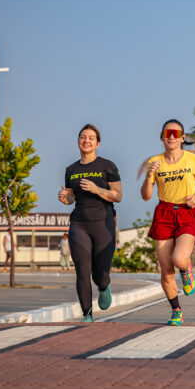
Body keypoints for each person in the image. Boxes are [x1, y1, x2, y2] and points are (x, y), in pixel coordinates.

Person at [142, 119, 195, 326]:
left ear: (182, 137)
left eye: (175, 133)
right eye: (167, 133)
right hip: (163, 213)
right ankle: (176, 311)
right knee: (165, 268)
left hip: (187, 212)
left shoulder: (192, 160)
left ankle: (186, 269)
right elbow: (146, 196)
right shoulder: (154, 161)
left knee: (179, 259)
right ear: (162, 137)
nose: (171, 136)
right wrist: (149, 176)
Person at [58, 124, 122, 322]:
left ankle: (104, 287)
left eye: (91, 138)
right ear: (78, 141)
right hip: (79, 224)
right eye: (83, 137)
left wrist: (97, 190)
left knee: (100, 273)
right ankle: (87, 314)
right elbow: (71, 198)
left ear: (98, 143)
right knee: (82, 269)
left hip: (103, 224)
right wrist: (65, 198)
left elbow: (118, 196)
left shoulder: (108, 166)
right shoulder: (71, 170)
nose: (86, 140)